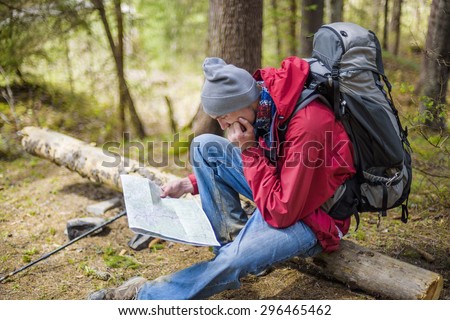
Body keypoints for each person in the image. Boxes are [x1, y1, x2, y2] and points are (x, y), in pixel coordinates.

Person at [88, 56, 355, 300]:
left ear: (239, 103)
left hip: (316, 216)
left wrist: (248, 149)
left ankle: (143, 297)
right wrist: (188, 184)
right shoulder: (265, 101)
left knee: (232, 261)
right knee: (205, 146)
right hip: (282, 191)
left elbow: (282, 211)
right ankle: (235, 241)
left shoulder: (308, 125)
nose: (225, 128)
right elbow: (274, 166)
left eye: (224, 120)